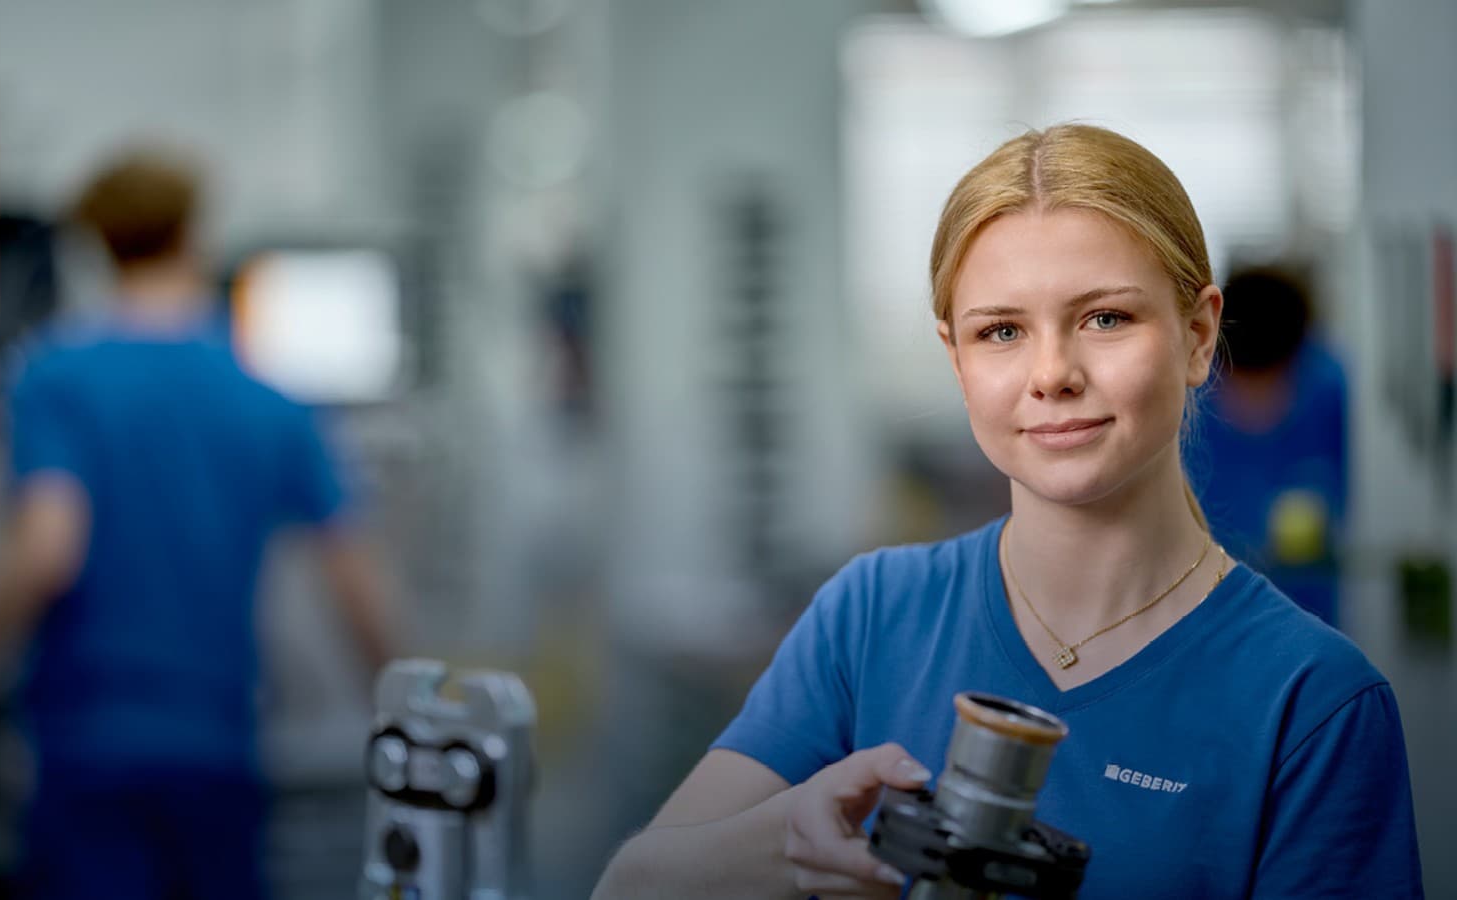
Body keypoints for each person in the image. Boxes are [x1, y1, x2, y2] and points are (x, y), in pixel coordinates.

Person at [592, 125, 1421, 899]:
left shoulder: (1313, 703)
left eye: (1105, 318)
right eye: (1000, 333)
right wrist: (786, 839)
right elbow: (631, 884)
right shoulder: (873, 613)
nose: (1051, 373)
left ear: (1200, 336)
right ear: (955, 358)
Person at [0, 147, 402, 899]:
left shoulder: (55, 376)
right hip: (218, 743)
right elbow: (352, 574)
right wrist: (410, 709)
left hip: (88, 749)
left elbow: (47, 548)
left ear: (99, 246)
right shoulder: (266, 394)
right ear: (193, 236)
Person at [1189, 266, 1348, 626]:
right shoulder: (1188, 405)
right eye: (1244, 387)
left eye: (1270, 385)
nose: (1256, 402)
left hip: (1313, 617)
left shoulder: (1332, 391)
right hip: (1207, 620)